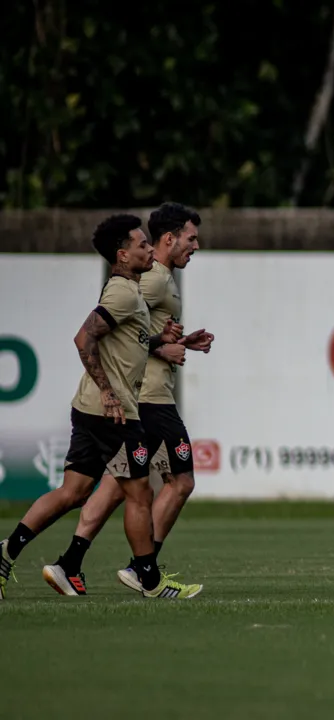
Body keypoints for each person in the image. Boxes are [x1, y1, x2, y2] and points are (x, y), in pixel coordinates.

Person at [0, 214, 202, 600]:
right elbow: (84, 338)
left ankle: (7, 553)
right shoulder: (124, 292)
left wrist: (165, 339)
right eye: (143, 245)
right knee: (140, 494)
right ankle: (150, 580)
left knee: (73, 492)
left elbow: (127, 342)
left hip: (89, 408)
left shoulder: (130, 290)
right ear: (123, 255)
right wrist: (109, 393)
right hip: (115, 414)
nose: (149, 250)